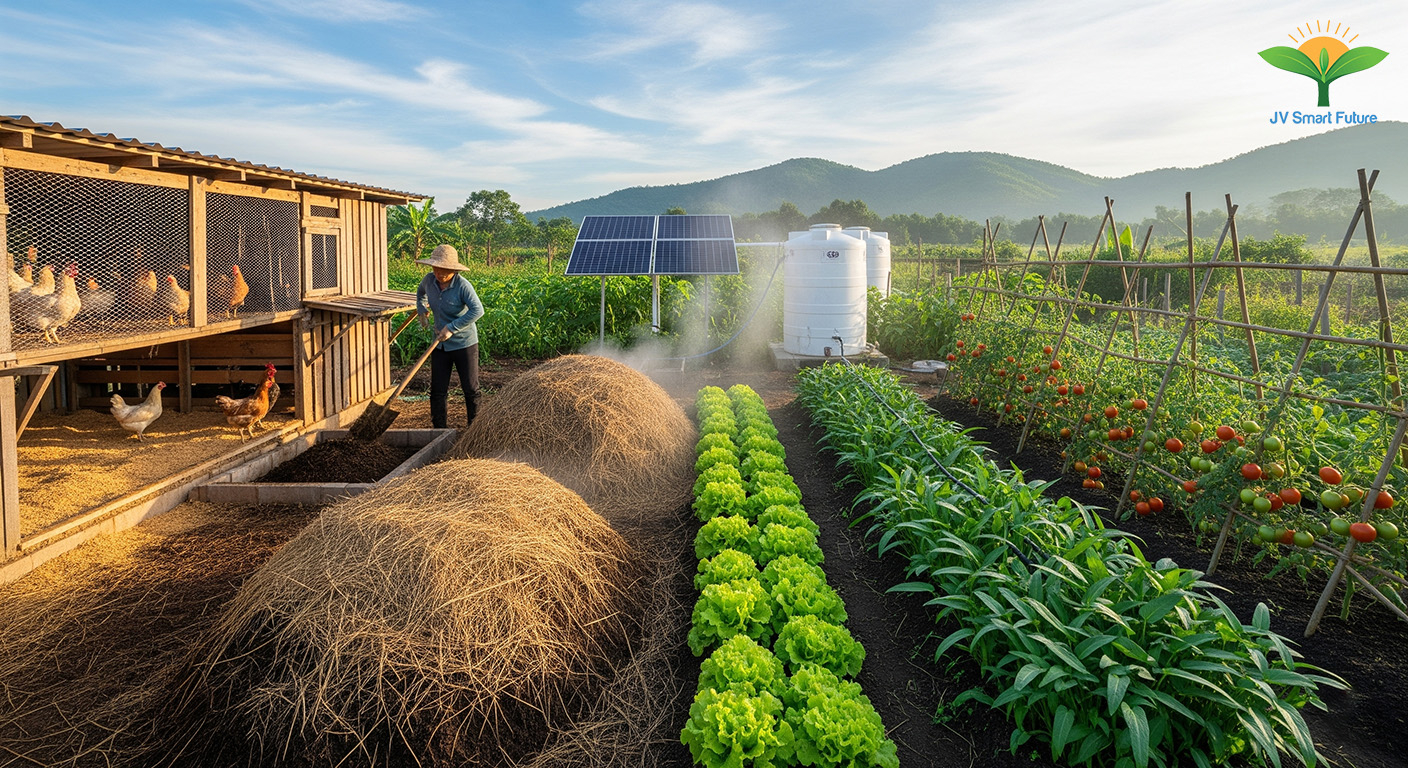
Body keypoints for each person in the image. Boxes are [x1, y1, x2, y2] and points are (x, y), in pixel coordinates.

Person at [415, 244, 485, 429]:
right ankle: (439, 431)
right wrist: (421, 308)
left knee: (470, 389)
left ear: (453, 269)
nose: (439, 274)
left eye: (444, 270)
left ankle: (474, 429)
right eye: (436, 269)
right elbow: (420, 293)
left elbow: (478, 310)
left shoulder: (463, 286)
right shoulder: (429, 281)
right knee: (438, 390)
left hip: (464, 344)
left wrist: (452, 328)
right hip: (440, 346)